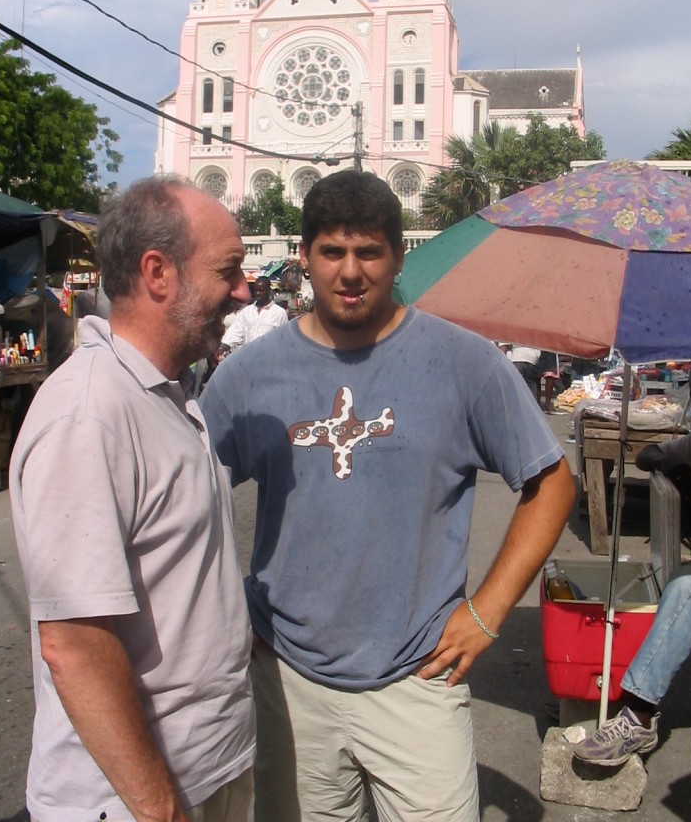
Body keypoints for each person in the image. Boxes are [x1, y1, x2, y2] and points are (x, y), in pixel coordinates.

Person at [200, 170, 576, 822]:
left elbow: (551, 482)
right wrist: (229, 610)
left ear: (398, 256)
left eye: (369, 252)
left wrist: (486, 615)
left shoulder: (463, 363)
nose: (350, 272)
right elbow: (185, 499)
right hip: (288, 683)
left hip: (418, 682)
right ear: (305, 257)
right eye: (333, 252)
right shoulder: (250, 376)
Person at [9, 176, 256, 822]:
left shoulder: (166, 394)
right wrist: (158, 807)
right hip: (133, 799)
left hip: (205, 772)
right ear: (158, 273)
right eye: (228, 271)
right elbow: (76, 645)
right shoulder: (88, 412)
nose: (244, 290)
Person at [573, 360, 691, 768]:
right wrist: (671, 466)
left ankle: (638, 717)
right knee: (688, 579)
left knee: (688, 587)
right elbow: (648, 455)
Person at [219, 274, 288, 355]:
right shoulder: (246, 312)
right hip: (248, 359)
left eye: (261, 290)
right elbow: (234, 333)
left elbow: (284, 340)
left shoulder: (279, 313)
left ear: (269, 290)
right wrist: (221, 348)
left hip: (269, 360)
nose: (258, 293)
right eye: (256, 290)